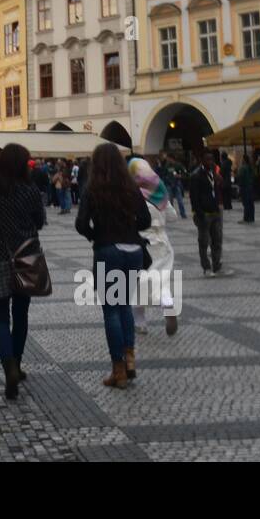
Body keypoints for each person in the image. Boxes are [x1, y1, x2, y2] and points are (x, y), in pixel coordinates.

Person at [78, 144, 152, 389]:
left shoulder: (93, 188)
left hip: (107, 251)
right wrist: (128, 229)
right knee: (125, 307)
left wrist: (95, 234)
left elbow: (81, 223)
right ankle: (130, 360)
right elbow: (145, 220)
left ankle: (118, 370)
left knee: (111, 310)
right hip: (133, 251)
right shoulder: (131, 187)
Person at [0, 144, 46, 400]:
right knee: (21, 313)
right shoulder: (29, 190)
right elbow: (39, 221)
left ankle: (8, 366)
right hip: (25, 256)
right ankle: (16, 365)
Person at [128, 156, 179, 337]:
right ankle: (167, 304)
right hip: (162, 244)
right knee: (161, 281)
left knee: (137, 284)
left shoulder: (131, 194)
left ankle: (140, 323)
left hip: (141, 244)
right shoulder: (159, 191)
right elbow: (173, 216)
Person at [189, 150, 227, 276]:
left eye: (211, 159)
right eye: (207, 160)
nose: (210, 162)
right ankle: (206, 268)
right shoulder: (196, 175)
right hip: (204, 213)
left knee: (217, 240)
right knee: (204, 242)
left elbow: (218, 190)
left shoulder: (213, 174)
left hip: (214, 211)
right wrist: (199, 213)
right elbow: (193, 197)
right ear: (202, 160)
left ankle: (217, 266)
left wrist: (219, 180)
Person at [237, 154, 255, 224]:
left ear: (244, 159)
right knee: (251, 203)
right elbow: (253, 176)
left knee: (246, 203)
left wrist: (240, 186)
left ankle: (246, 218)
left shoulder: (243, 167)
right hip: (250, 186)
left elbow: (240, 177)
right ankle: (251, 217)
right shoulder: (250, 167)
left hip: (244, 187)